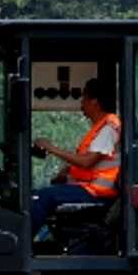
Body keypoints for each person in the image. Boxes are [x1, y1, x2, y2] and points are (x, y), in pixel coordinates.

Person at [30, 78, 121, 237]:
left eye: (84, 97)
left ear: (95, 102)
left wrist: (51, 148)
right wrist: (68, 170)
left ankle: (21, 247)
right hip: (91, 190)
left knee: (41, 197)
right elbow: (92, 163)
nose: (81, 102)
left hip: (97, 194)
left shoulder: (109, 128)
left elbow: (87, 162)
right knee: (42, 194)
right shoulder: (101, 127)